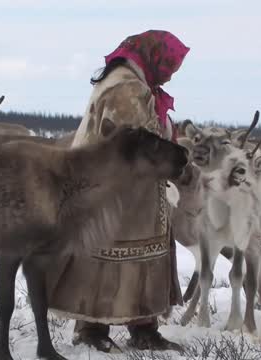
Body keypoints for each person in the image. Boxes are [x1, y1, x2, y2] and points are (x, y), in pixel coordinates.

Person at [44, 30, 189, 352]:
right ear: (154, 56)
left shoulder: (130, 82)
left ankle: (141, 327)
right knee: (109, 257)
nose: (170, 73)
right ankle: (93, 328)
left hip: (131, 191)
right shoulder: (126, 87)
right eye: (169, 65)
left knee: (132, 256)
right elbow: (132, 138)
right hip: (118, 192)